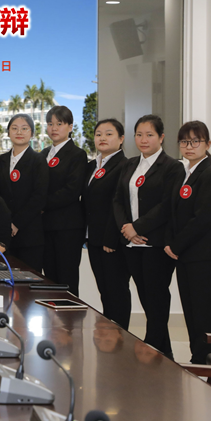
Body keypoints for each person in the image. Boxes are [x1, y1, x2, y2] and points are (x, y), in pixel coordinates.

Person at [112, 114, 184, 359]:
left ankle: (152, 344)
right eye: (139, 135)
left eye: (149, 135)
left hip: (155, 244)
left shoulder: (172, 167)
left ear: (161, 137)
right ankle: (164, 352)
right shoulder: (130, 164)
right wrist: (126, 228)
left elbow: (167, 205)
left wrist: (138, 227)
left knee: (156, 296)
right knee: (145, 297)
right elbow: (118, 200)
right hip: (131, 244)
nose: (143, 140)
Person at [166, 121, 211, 364]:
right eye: (184, 141)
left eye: (195, 141)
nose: (189, 146)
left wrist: (175, 245)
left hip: (204, 256)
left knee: (203, 312)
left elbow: (202, 219)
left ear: (207, 144)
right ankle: (197, 359)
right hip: (186, 256)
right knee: (191, 311)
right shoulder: (185, 174)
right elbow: (175, 214)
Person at [83, 119, 130, 328]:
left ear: (121, 139)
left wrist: (111, 238)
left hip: (112, 241)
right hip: (94, 238)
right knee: (105, 290)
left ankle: (121, 334)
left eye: (109, 134)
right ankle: (110, 333)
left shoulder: (124, 166)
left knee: (116, 291)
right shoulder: (92, 166)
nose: (102, 138)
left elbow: (119, 204)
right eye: (98, 134)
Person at [40, 105, 88, 295]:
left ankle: (70, 314)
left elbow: (71, 191)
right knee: (49, 278)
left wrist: (40, 204)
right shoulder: (42, 154)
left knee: (67, 278)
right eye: (50, 124)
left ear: (70, 126)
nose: (54, 128)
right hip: (45, 226)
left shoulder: (77, 155)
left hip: (68, 227)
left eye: (59, 124)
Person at [0, 113, 48, 272]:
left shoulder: (38, 160)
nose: (19, 132)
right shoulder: (1, 160)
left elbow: (39, 196)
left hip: (30, 234)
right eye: (14, 128)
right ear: (8, 132)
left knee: (29, 280)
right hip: (4, 233)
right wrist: (4, 222)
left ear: (32, 133)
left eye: (24, 128)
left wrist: (16, 223)